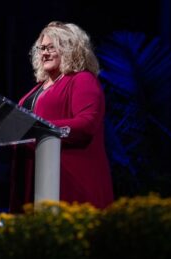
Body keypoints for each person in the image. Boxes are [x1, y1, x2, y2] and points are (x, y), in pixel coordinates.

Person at [10, 21, 114, 210]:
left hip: (68, 178)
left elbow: (86, 124)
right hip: (31, 175)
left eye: (51, 47)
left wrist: (38, 128)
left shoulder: (82, 80)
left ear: (70, 49)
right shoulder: (37, 88)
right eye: (41, 48)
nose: (44, 53)